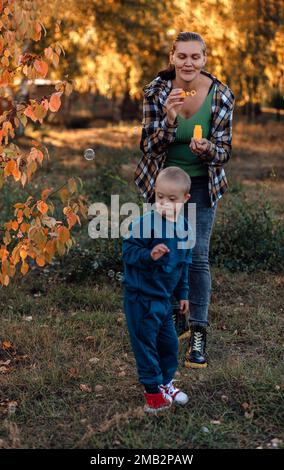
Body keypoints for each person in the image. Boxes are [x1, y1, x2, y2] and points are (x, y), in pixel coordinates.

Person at [134, 31, 235, 369]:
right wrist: (170, 120)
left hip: (203, 184)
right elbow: (148, 146)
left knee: (197, 257)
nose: (188, 62)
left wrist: (208, 149)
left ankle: (198, 332)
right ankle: (174, 318)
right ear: (172, 57)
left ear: (205, 58)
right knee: (166, 251)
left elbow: (224, 151)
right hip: (163, 186)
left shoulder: (221, 95)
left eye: (195, 56)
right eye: (182, 56)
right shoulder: (156, 92)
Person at [122, 167, 193, 413]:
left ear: (185, 199)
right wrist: (149, 255)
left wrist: (183, 294)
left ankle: (165, 382)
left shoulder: (185, 228)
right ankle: (152, 392)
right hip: (141, 297)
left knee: (169, 345)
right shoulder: (145, 223)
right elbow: (128, 252)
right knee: (146, 344)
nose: (164, 203)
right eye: (160, 197)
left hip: (164, 300)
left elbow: (184, 264)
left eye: (171, 199)